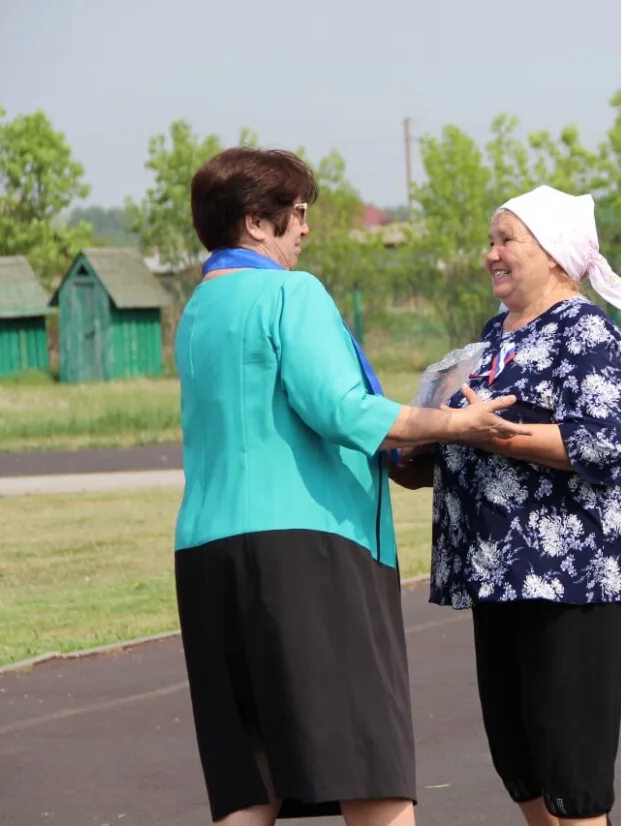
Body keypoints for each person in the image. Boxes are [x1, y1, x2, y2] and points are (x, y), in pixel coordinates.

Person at [174, 146, 528, 826]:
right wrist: (456, 423)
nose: (305, 229)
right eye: (297, 214)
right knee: (372, 763)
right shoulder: (290, 292)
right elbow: (338, 408)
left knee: (252, 778)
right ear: (256, 222)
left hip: (207, 553)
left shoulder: (200, 308)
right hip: (305, 551)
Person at [392, 185, 621, 826]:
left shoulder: (588, 334)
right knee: (522, 763)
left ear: (556, 256)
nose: (491, 254)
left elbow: (600, 443)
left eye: (508, 240)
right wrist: (424, 446)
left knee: (574, 772)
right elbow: (466, 437)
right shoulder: (491, 338)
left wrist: (488, 432)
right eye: (491, 241)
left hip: (571, 580)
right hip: (496, 574)